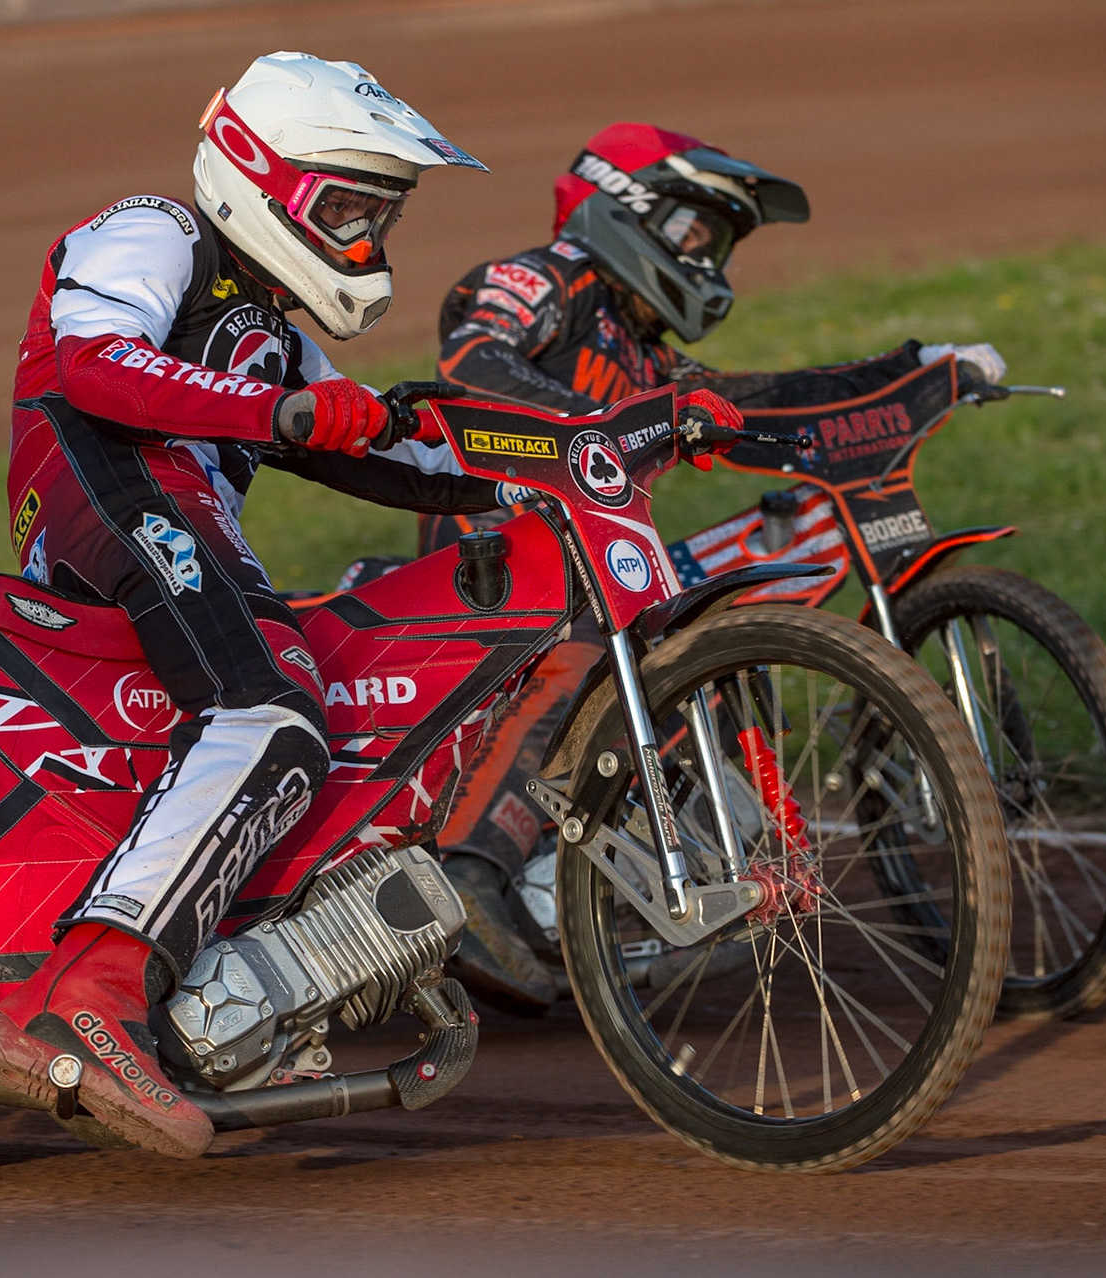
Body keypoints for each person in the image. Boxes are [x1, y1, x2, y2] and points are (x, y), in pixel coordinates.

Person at [0, 52, 519, 1160]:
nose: (368, 245)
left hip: (170, 514)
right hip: (110, 482)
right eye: (349, 211)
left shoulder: (269, 328)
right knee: (271, 710)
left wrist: (568, 462)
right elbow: (94, 366)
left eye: (381, 217)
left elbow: (393, 449)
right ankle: (88, 994)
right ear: (259, 179)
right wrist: (284, 414)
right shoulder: (155, 229)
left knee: (315, 704)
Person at [424, 122, 1006, 1013]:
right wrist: (592, 423)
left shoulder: (642, 349)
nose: (710, 258)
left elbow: (752, 401)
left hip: (583, 566)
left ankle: (643, 863)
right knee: (586, 647)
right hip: (492, 562)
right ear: (629, 214)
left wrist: (912, 370)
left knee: (690, 627)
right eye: (699, 232)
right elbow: (472, 356)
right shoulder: (541, 278)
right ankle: (471, 871)